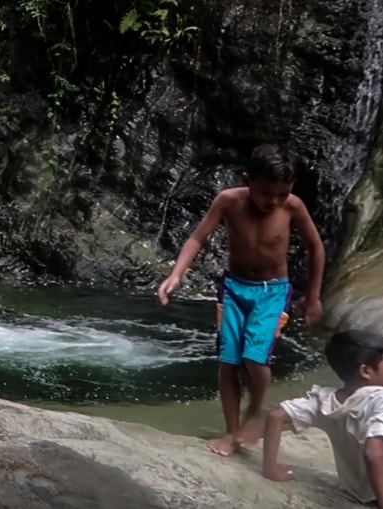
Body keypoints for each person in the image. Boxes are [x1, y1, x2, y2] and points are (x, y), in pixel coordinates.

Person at [156, 144, 325, 456]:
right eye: (265, 193)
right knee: (229, 362)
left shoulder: (293, 207)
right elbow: (197, 237)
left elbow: (316, 248)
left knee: (255, 358)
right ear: (247, 180)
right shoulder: (228, 201)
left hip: (273, 291)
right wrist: (176, 274)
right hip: (234, 288)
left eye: (282, 194)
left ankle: (254, 412)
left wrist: (312, 296)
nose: (274, 201)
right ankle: (231, 433)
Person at [261, 329, 383, 504]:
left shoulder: (326, 400)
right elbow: (373, 453)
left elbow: (275, 416)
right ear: (366, 371)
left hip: (355, 489)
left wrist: (270, 468)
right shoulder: (380, 398)